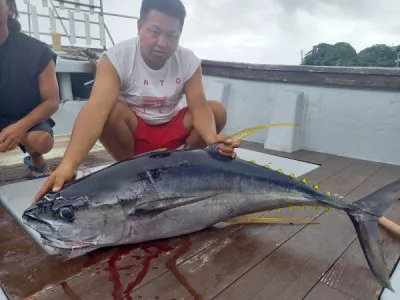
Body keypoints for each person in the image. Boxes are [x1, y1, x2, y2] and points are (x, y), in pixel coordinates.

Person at [33, 0, 239, 203]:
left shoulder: (189, 61)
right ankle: (133, 173)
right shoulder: (116, 58)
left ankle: (185, 168)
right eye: (154, 32)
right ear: (139, 27)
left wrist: (212, 139)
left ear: (179, 35)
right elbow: (96, 109)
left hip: (173, 134)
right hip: (135, 137)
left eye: (171, 36)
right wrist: (69, 165)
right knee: (110, 111)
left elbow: (200, 107)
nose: (162, 43)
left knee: (216, 110)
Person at [0, 0, 60, 179]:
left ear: (10, 8)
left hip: (28, 118)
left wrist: (20, 127)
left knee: (41, 141)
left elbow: (52, 101)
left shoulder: (37, 51)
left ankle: (36, 160)